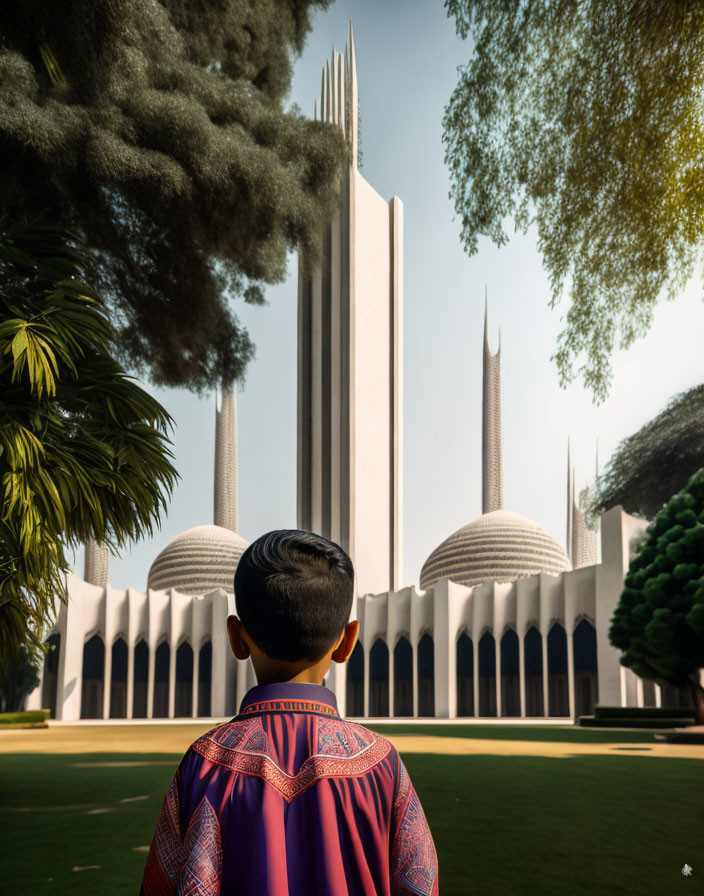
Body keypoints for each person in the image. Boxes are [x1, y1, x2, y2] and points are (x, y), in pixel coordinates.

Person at [140, 529, 438, 896]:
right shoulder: (380, 762)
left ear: (236, 636)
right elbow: (419, 882)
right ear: (347, 641)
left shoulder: (205, 762)